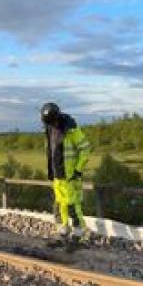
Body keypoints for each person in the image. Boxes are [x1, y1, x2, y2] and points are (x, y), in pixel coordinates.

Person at [40, 102, 92, 245]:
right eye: (49, 123)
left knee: (73, 206)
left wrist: (78, 170)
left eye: (52, 122)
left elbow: (86, 149)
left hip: (70, 176)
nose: (52, 125)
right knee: (61, 204)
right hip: (57, 176)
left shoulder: (71, 130)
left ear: (57, 118)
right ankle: (64, 231)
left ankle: (81, 234)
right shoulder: (50, 129)